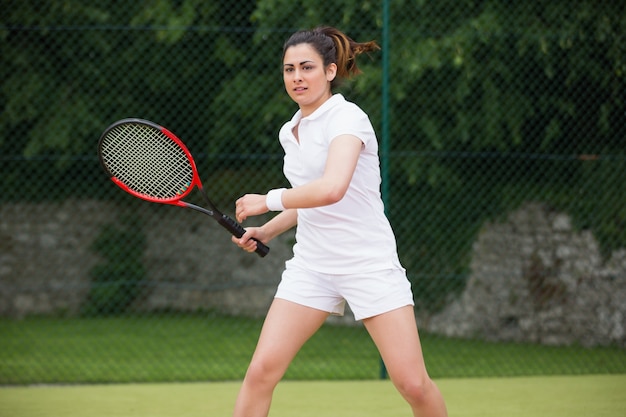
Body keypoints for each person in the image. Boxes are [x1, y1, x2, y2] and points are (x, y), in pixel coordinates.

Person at [231, 26, 448, 417]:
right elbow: (310, 200)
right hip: (312, 267)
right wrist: (268, 229)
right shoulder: (289, 131)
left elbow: (332, 189)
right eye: (289, 69)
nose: (296, 77)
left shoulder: (348, 118)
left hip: (369, 264)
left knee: (413, 384)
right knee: (261, 372)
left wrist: (268, 200)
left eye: (307, 68)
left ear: (330, 71)